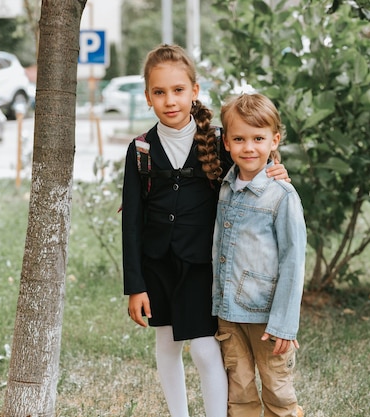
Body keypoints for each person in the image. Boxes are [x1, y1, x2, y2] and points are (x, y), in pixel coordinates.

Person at [121, 44, 289, 417]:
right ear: (148, 96)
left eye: (178, 90)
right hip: (156, 267)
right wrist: (135, 285)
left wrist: (277, 169)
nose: (170, 101)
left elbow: (253, 164)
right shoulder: (141, 151)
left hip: (202, 266)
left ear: (194, 91)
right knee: (165, 345)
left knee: (202, 347)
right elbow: (130, 222)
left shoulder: (218, 141)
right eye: (160, 92)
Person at [212, 93, 307, 417]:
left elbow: (293, 261)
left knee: (277, 389)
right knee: (238, 390)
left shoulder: (281, 195)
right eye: (239, 139)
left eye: (258, 139)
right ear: (226, 142)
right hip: (229, 312)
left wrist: (284, 323)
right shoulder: (225, 187)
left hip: (267, 317)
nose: (248, 147)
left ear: (274, 140)